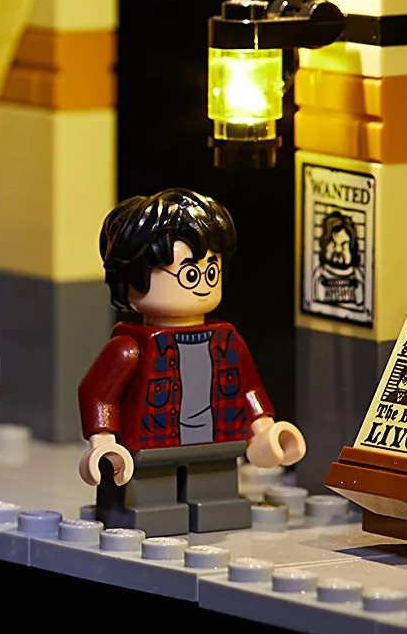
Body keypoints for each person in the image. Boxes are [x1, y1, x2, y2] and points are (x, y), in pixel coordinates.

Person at [77, 188, 304, 534]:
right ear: (131, 277)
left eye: (211, 270)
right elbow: (97, 392)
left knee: (216, 499)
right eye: (190, 274)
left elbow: (248, 389)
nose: (203, 283)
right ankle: (146, 512)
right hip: (151, 448)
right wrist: (104, 442)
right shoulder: (129, 348)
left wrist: (265, 430)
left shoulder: (227, 342)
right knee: (150, 505)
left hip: (216, 444)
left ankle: (214, 509)